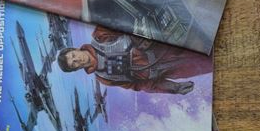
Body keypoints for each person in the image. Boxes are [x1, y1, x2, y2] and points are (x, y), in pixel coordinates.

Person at [56, 25, 212, 94]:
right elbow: (139, 85)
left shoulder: (100, 36)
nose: (77, 60)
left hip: (165, 45)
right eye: (74, 64)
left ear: (75, 49)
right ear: (77, 69)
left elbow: (128, 20)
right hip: (168, 71)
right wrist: (173, 88)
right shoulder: (104, 78)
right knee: (210, 64)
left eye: (73, 56)